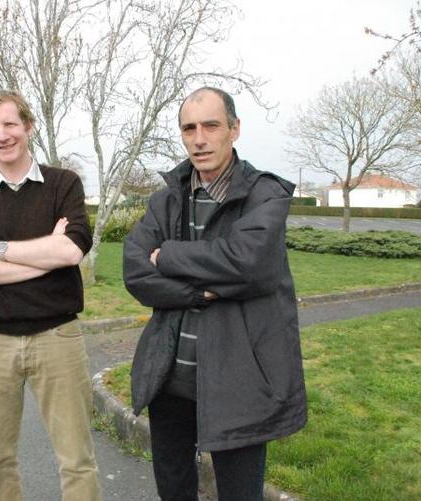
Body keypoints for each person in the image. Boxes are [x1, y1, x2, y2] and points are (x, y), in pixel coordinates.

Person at [123, 87, 307, 501]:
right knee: (173, 488)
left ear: (234, 129)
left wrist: (167, 254)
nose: (199, 138)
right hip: (169, 376)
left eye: (211, 125)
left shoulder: (264, 195)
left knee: (240, 493)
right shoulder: (166, 200)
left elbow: (248, 263)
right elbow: (135, 271)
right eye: (189, 128)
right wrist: (199, 292)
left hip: (238, 377)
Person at [0, 90, 102, 501]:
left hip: (58, 339)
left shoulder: (63, 184)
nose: (2, 135)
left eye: (10, 124)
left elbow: (71, 250)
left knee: (77, 459)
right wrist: (43, 255)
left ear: (28, 126)